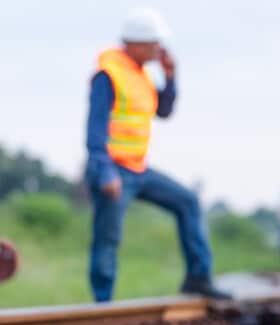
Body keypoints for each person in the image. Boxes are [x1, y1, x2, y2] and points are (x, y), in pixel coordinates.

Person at [85, 8, 230, 301]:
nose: (159, 49)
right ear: (137, 43)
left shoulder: (140, 75)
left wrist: (170, 76)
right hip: (112, 171)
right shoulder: (108, 75)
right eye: (155, 44)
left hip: (138, 169)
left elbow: (163, 110)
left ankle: (198, 278)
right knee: (108, 238)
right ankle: (102, 304)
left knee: (187, 202)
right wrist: (104, 170)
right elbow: (95, 128)